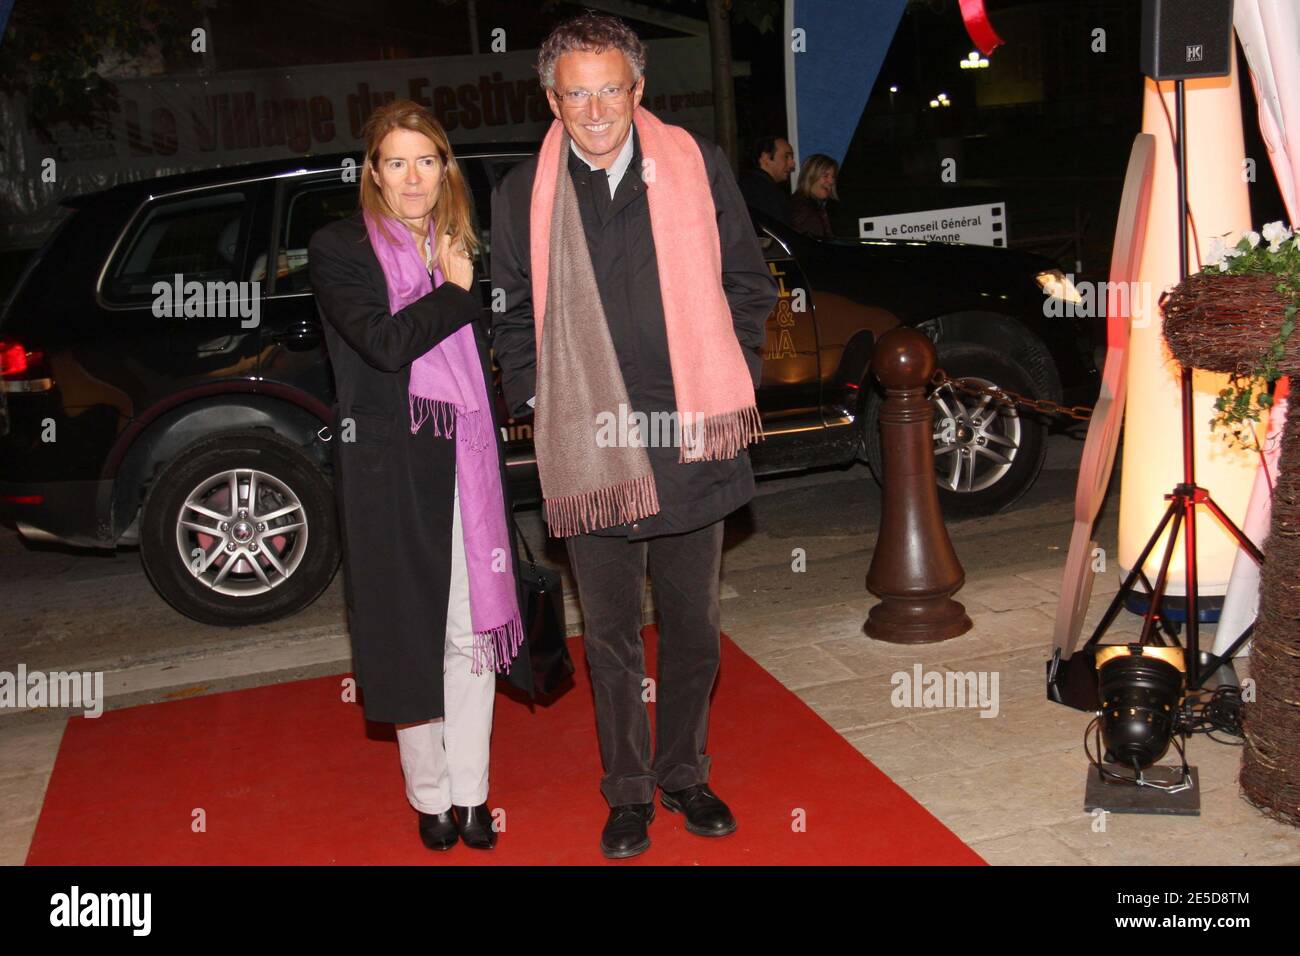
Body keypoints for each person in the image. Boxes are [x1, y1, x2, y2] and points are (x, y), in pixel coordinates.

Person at [490, 12, 777, 860]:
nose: (594, 108)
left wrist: (735, 375)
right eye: (576, 93)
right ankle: (626, 792)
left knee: (693, 626)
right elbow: (508, 310)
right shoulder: (522, 193)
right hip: (590, 445)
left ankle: (685, 772)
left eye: (609, 88)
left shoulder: (695, 165)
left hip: (693, 435)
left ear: (638, 88)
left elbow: (747, 282)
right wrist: (543, 400)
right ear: (552, 98)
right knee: (611, 634)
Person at [308, 99, 529, 854]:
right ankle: (429, 794)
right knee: (413, 632)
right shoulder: (340, 247)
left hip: (465, 462)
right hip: (388, 471)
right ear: (373, 172)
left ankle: (473, 794)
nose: (412, 177)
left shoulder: (460, 243)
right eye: (395, 161)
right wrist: (453, 292)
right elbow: (381, 344)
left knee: (471, 631)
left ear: (445, 169)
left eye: (426, 160)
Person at [739, 134, 796, 227]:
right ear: (766, 158)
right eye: (786, 157)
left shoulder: (745, 186)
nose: (792, 164)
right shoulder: (766, 193)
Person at [791, 153, 839, 238]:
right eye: (826, 175)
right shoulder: (802, 207)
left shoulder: (813, 205)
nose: (831, 181)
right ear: (810, 176)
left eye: (833, 177)